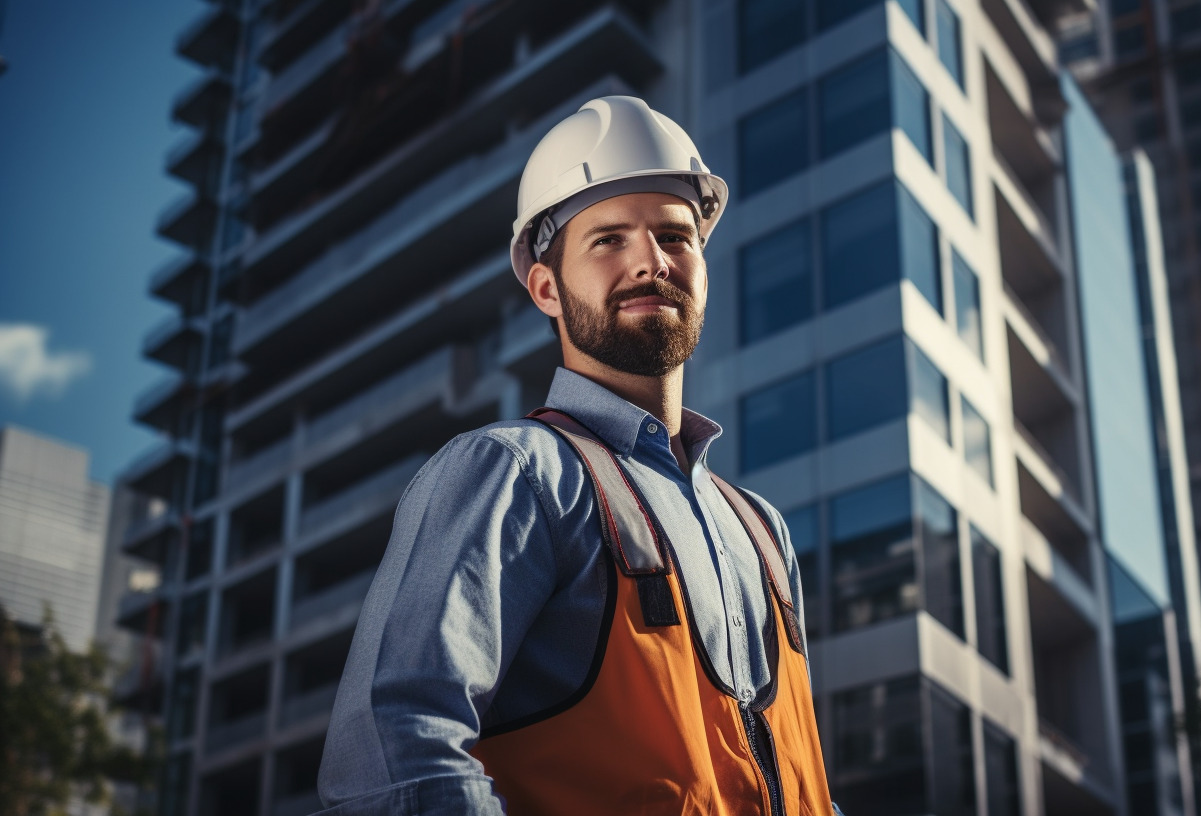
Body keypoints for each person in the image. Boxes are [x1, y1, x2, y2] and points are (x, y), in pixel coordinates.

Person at [315, 96, 838, 815]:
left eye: (675, 237)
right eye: (609, 240)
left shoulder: (762, 531)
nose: (651, 261)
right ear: (545, 287)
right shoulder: (513, 474)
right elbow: (392, 750)